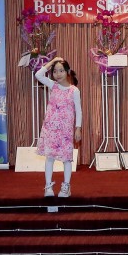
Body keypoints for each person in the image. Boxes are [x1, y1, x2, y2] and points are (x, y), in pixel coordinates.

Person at [34, 57, 82, 198]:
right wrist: (52, 61)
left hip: (66, 131)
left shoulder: (74, 90)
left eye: (61, 71)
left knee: (66, 159)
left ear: (67, 72)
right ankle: (48, 186)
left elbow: (78, 111)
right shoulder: (53, 85)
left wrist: (78, 128)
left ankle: (66, 186)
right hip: (51, 129)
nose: (58, 74)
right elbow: (38, 75)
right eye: (55, 71)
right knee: (50, 158)